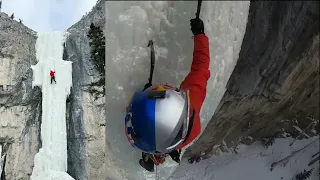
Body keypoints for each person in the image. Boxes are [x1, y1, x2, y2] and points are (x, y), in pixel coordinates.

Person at [125, 17, 210, 172]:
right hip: (176, 137)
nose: (158, 88)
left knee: (151, 138)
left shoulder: (185, 117)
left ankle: (159, 152)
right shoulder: (192, 101)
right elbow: (200, 68)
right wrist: (200, 36)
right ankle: (161, 152)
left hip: (172, 138)